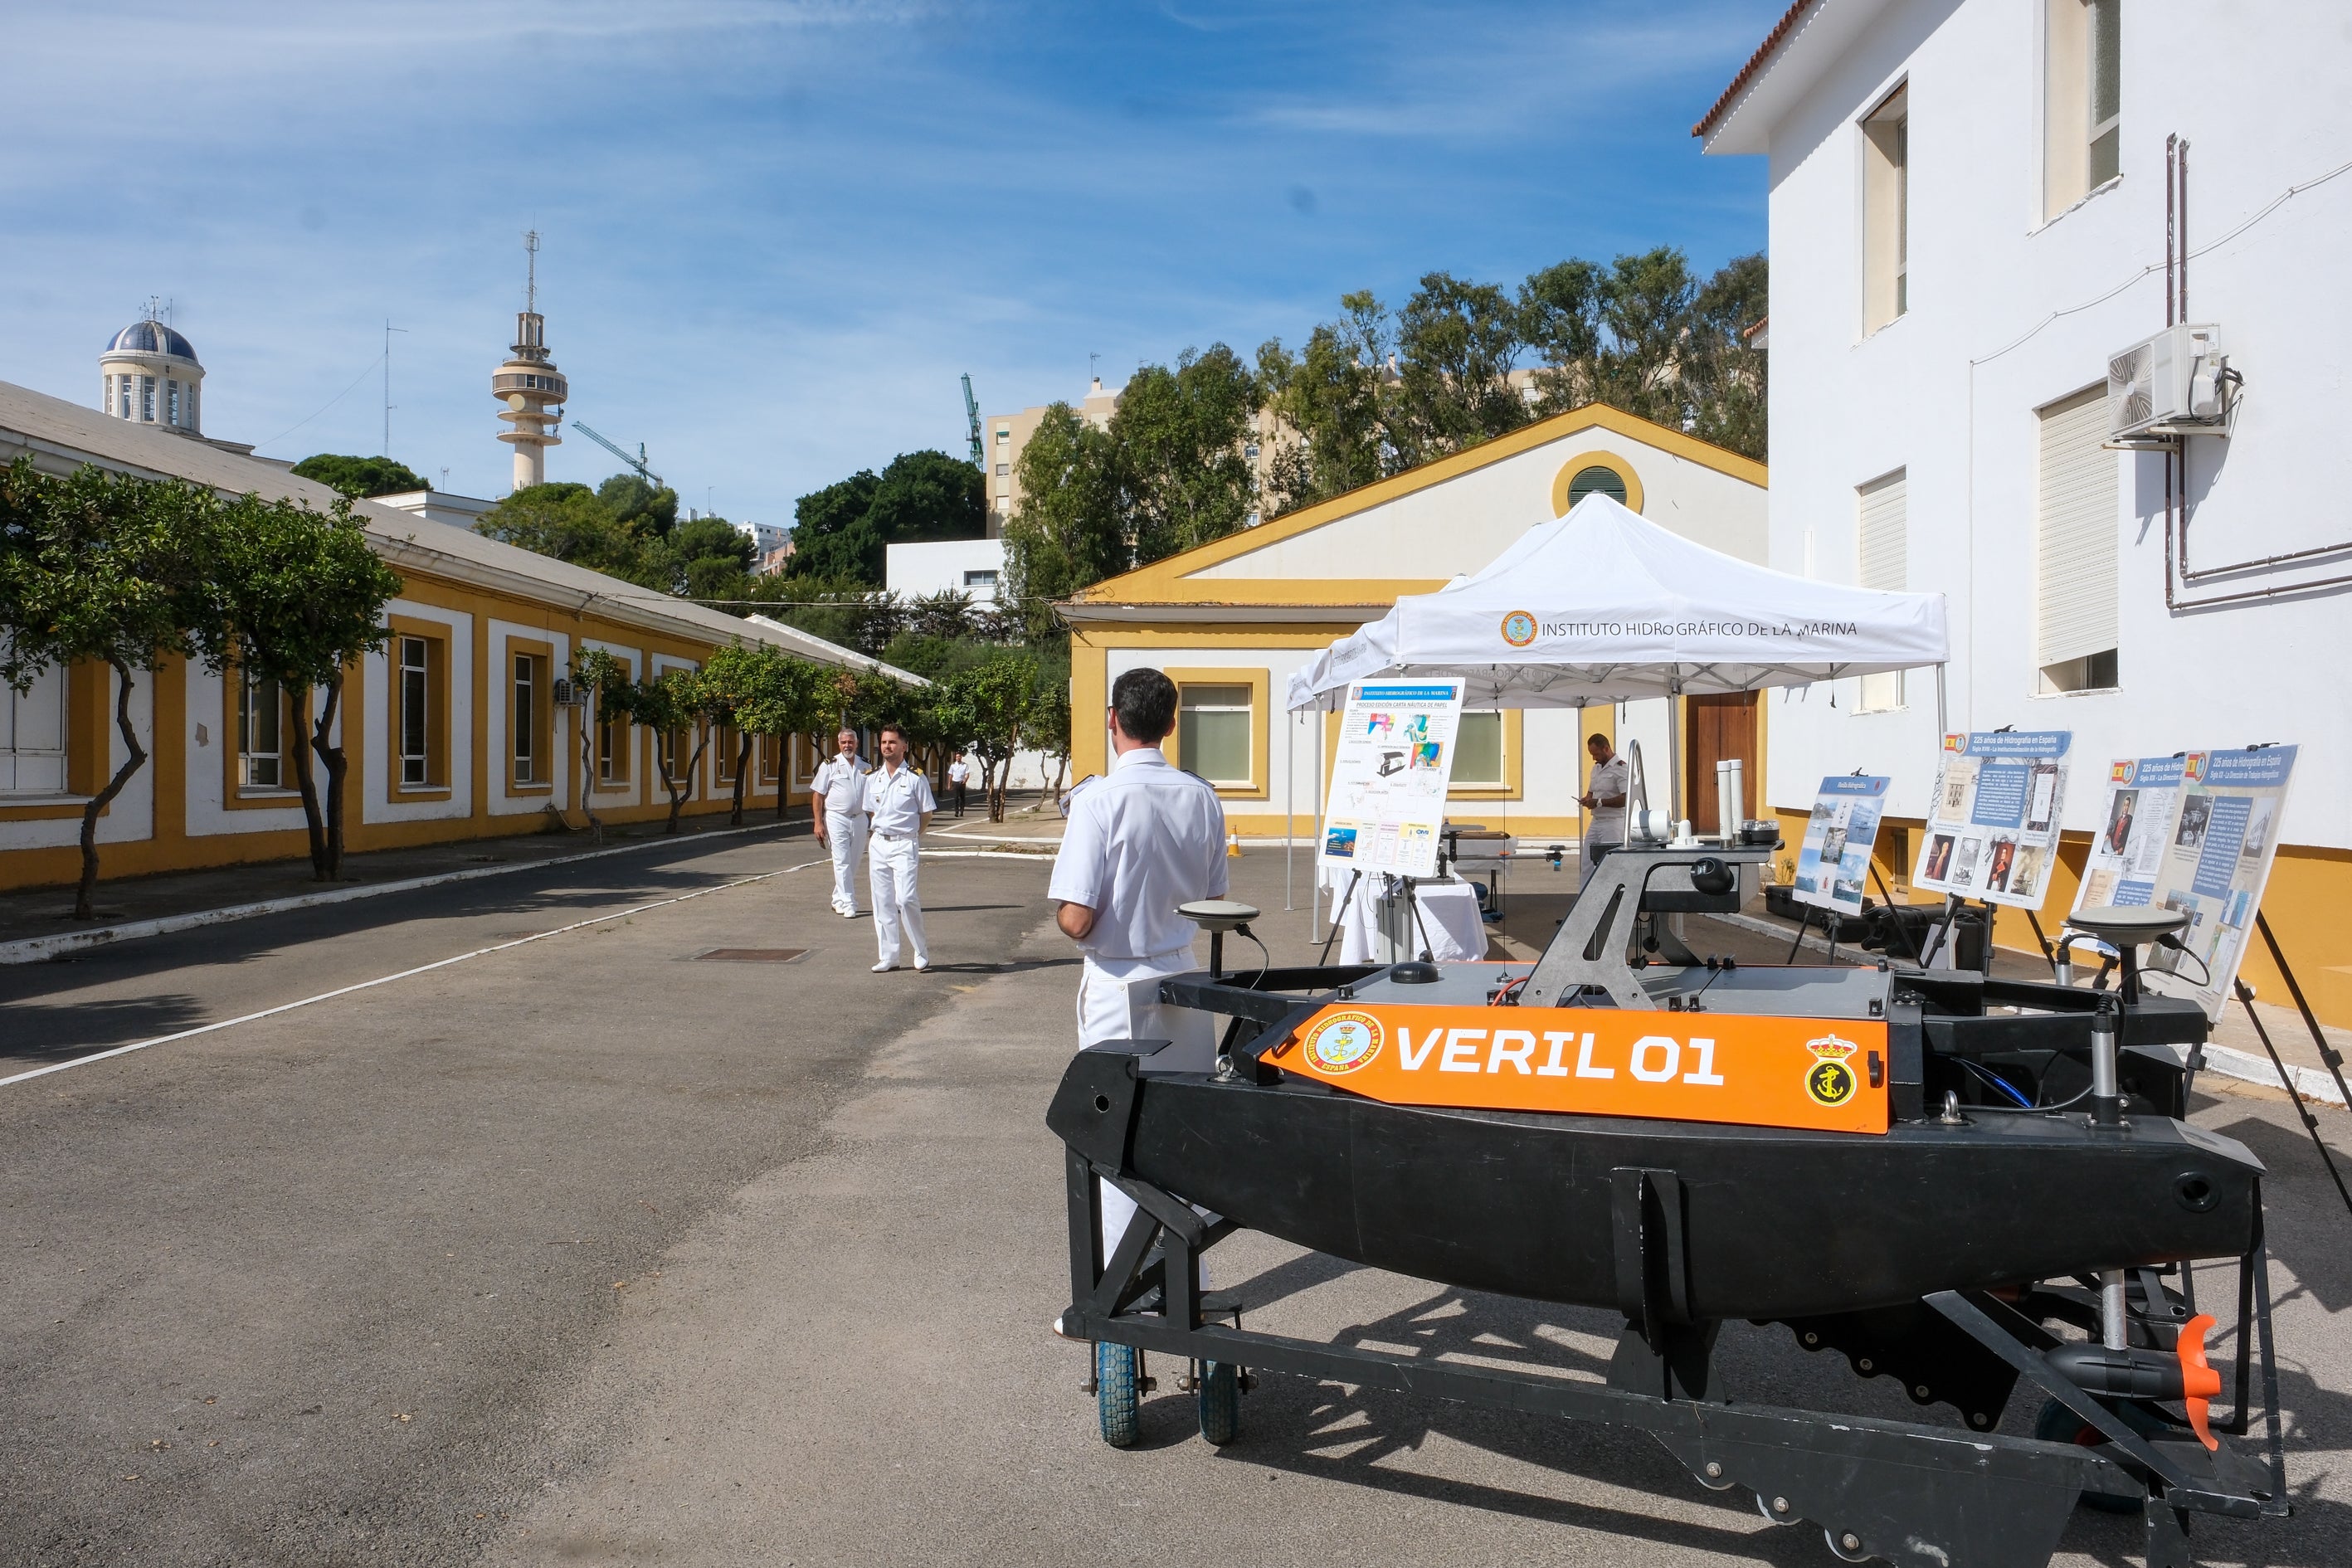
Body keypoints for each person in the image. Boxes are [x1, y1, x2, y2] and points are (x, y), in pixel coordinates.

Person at [1049, 669, 1227, 1332]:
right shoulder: (1200, 796)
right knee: (1178, 1136)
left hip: (1117, 978)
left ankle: (1123, 1294)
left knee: (1114, 1141)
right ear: (1171, 724)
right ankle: (1188, 1285)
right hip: (1180, 973)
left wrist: (1078, 919)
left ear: (1112, 719)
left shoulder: (1098, 799)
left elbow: (1076, 917)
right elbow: (1213, 900)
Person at [862, 721, 936, 972]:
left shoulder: (916, 777)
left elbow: (926, 814)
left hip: (905, 843)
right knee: (882, 901)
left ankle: (920, 950)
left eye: (892, 742)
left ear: (904, 746)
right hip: (879, 842)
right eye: (884, 742)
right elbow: (871, 811)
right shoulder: (872, 778)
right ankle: (889, 956)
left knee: (905, 899)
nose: (887, 746)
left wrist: (913, 835)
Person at [810, 729, 869, 918]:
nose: (847, 746)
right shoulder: (829, 765)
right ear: (839, 744)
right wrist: (818, 822)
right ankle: (850, 902)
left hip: (860, 818)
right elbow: (818, 795)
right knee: (842, 860)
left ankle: (838, 898)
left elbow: (872, 794)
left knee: (854, 861)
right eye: (844, 742)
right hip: (837, 818)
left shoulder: (865, 765)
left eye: (850, 742)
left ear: (856, 744)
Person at [1575, 733, 1630, 889]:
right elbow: (1592, 791)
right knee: (1587, 862)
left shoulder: (1621, 769)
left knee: (1611, 864)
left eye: (1596, 754)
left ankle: (1613, 894)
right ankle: (1584, 896)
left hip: (1613, 823)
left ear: (1606, 749)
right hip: (1597, 821)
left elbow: (1626, 798)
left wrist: (1598, 803)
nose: (1594, 758)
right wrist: (1587, 800)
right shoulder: (1597, 768)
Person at [947, 754, 971, 818]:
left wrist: (965, 780)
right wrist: (949, 784)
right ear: (955, 758)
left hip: (962, 783)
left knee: (962, 798)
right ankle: (956, 812)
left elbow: (967, 774)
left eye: (959, 757)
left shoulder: (965, 765)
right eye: (957, 757)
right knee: (956, 798)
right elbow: (950, 775)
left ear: (961, 757)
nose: (958, 758)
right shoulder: (953, 765)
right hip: (955, 783)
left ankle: (962, 811)